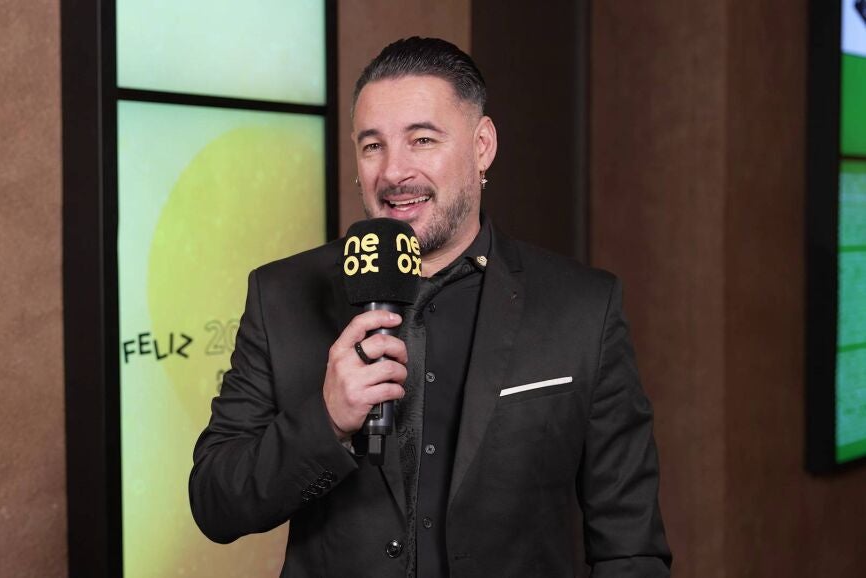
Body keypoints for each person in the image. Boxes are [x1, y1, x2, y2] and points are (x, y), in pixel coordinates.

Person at [190, 37, 671, 577]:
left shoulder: (583, 307)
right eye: (372, 146)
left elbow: (630, 544)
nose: (394, 172)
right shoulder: (282, 294)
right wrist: (326, 421)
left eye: (421, 140)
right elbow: (214, 502)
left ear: (482, 145)